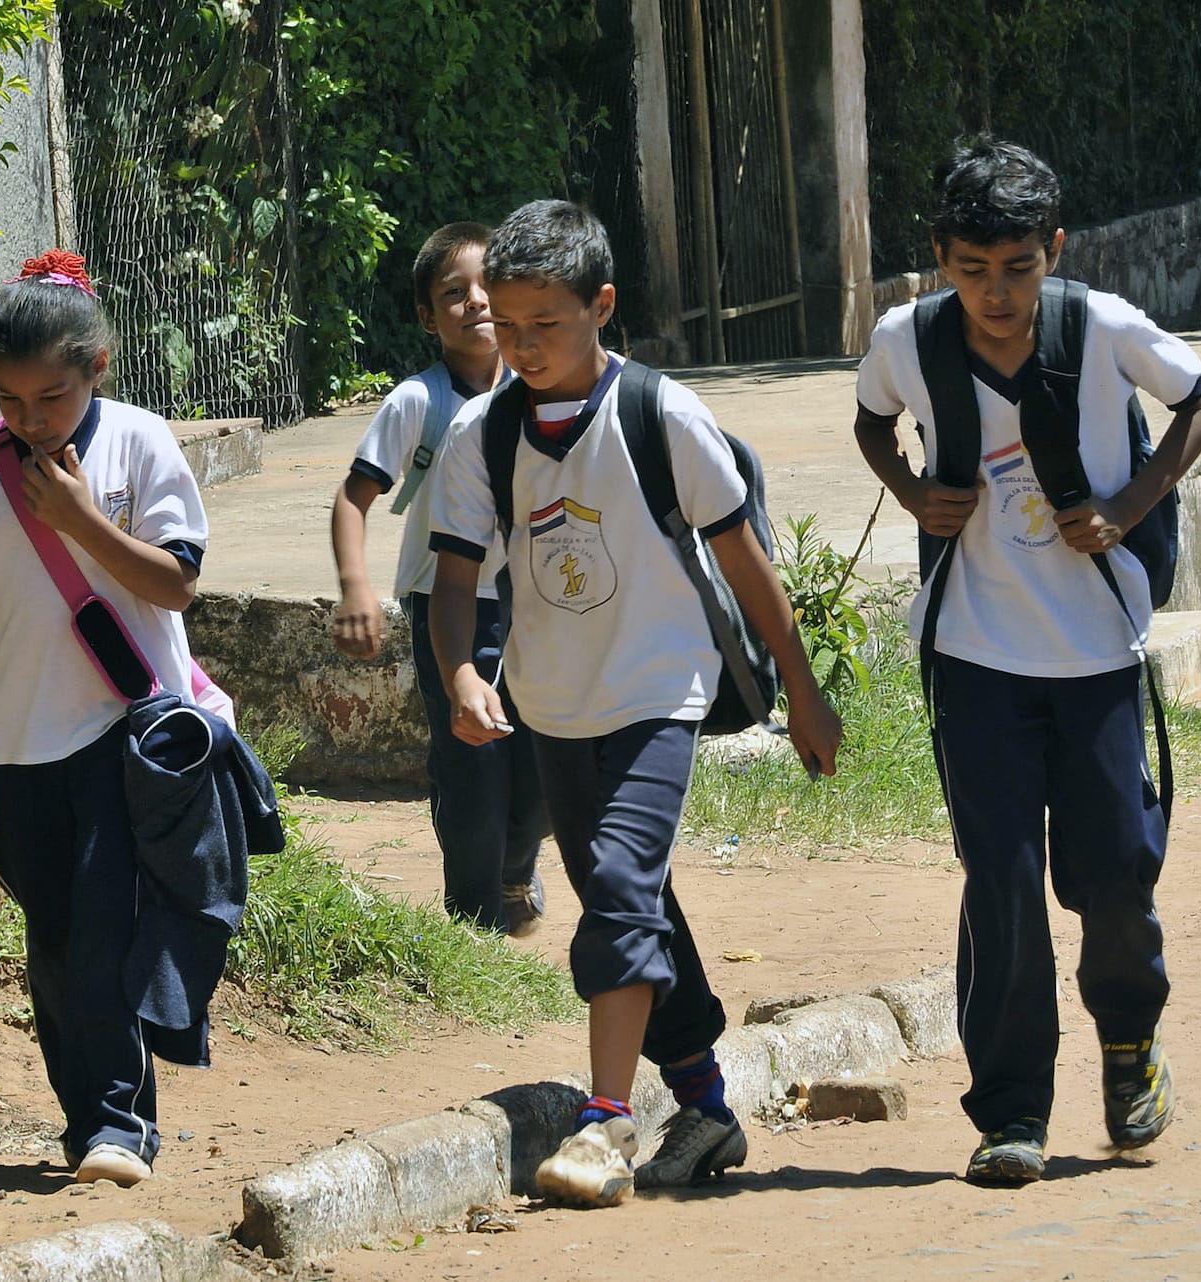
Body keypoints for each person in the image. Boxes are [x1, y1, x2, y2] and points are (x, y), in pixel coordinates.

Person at [427, 200, 842, 1206]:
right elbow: (453, 579)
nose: (523, 347)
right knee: (635, 899)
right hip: (554, 706)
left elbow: (744, 559)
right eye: (507, 328)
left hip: (662, 689)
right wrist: (461, 677)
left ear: (601, 306)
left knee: (616, 880)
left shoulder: (660, 415)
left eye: (547, 326)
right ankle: (704, 1100)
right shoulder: (483, 438)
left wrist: (801, 685)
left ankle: (606, 1122)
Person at [852, 136, 1201, 1186]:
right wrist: (913, 491)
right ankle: (1011, 1111)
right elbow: (871, 423)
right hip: (974, 657)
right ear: (939, 258)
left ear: (1053, 250)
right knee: (1003, 881)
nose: (996, 292)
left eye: (1017, 266)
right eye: (972, 270)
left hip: (1098, 652)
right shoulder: (906, 339)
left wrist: (1128, 505)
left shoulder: (1101, 329)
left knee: (1113, 877)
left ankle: (1127, 1042)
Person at [0, 250, 212, 1188]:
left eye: (50, 398)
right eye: (9, 399)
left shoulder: (141, 443)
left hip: (127, 734)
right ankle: (90, 1119)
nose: (29, 419)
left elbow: (179, 583)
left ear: (99, 367)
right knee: (52, 934)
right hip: (15, 740)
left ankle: (117, 1125)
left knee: (102, 929)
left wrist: (82, 519)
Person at [329, 221, 547, 935]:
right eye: (455, 293)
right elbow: (353, 498)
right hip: (450, 607)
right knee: (471, 769)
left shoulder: (538, 387)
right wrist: (357, 587)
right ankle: (473, 919)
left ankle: (515, 872)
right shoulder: (416, 403)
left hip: (537, 603)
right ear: (429, 317)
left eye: (489, 287)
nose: (476, 303)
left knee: (545, 759)